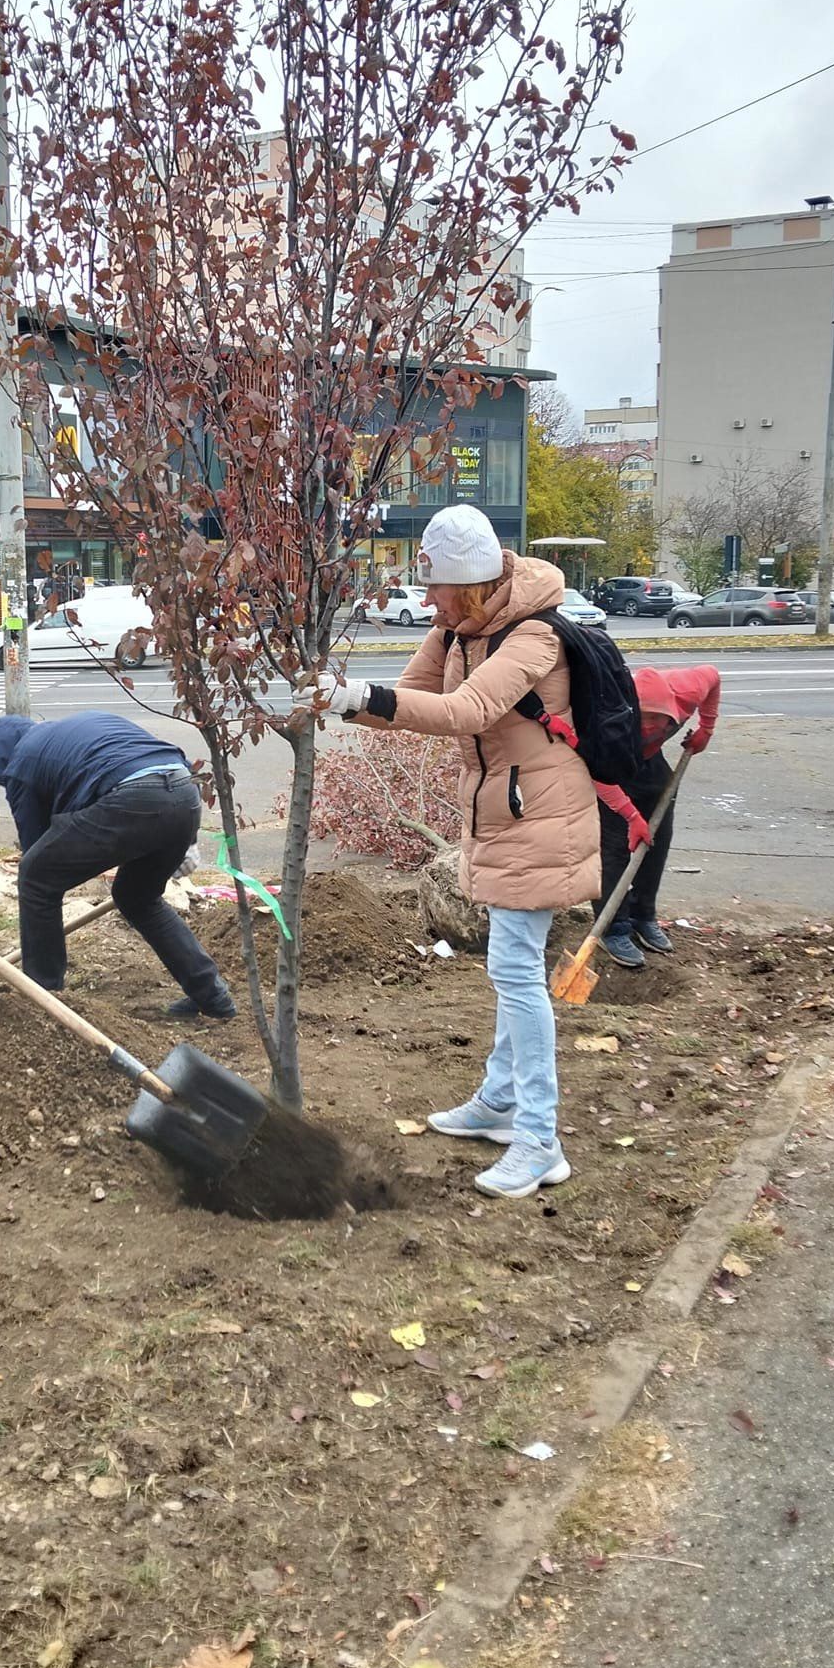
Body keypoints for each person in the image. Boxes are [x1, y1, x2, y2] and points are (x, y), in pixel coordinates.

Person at [316, 504, 599, 1200]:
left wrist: (361, 694)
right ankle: (501, 1103)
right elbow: (409, 701)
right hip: (500, 812)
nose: (427, 600)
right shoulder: (456, 630)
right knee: (511, 964)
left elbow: (466, 712)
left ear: (469, 585)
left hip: (543, 814)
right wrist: (342, 700)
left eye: (436, 587)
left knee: (515, 968)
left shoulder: (536, 636)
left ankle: (539, 1140)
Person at [0, 711, 235, 1019]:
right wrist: (187, 840)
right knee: (137, 898)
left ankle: (44, 1000)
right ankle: (213, 998)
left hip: (133, 797)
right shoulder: (76, 732)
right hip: (183, 793)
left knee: (36, 879)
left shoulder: (22, 763)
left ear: (1, 759)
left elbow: (36, 849)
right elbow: (163, 761)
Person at [593, 664, 720, 971]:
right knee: (614, 847)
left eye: (657, 719)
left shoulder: (688, 690)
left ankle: (643, 916)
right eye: (643, 718)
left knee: (658, 839)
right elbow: (598, 776)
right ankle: (613, 927)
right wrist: (630, 816)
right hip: (610, 767)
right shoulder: (608, 722)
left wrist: (706, 728)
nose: (649, 725)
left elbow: (713, 676)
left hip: (649, 760)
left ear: (671, 713)